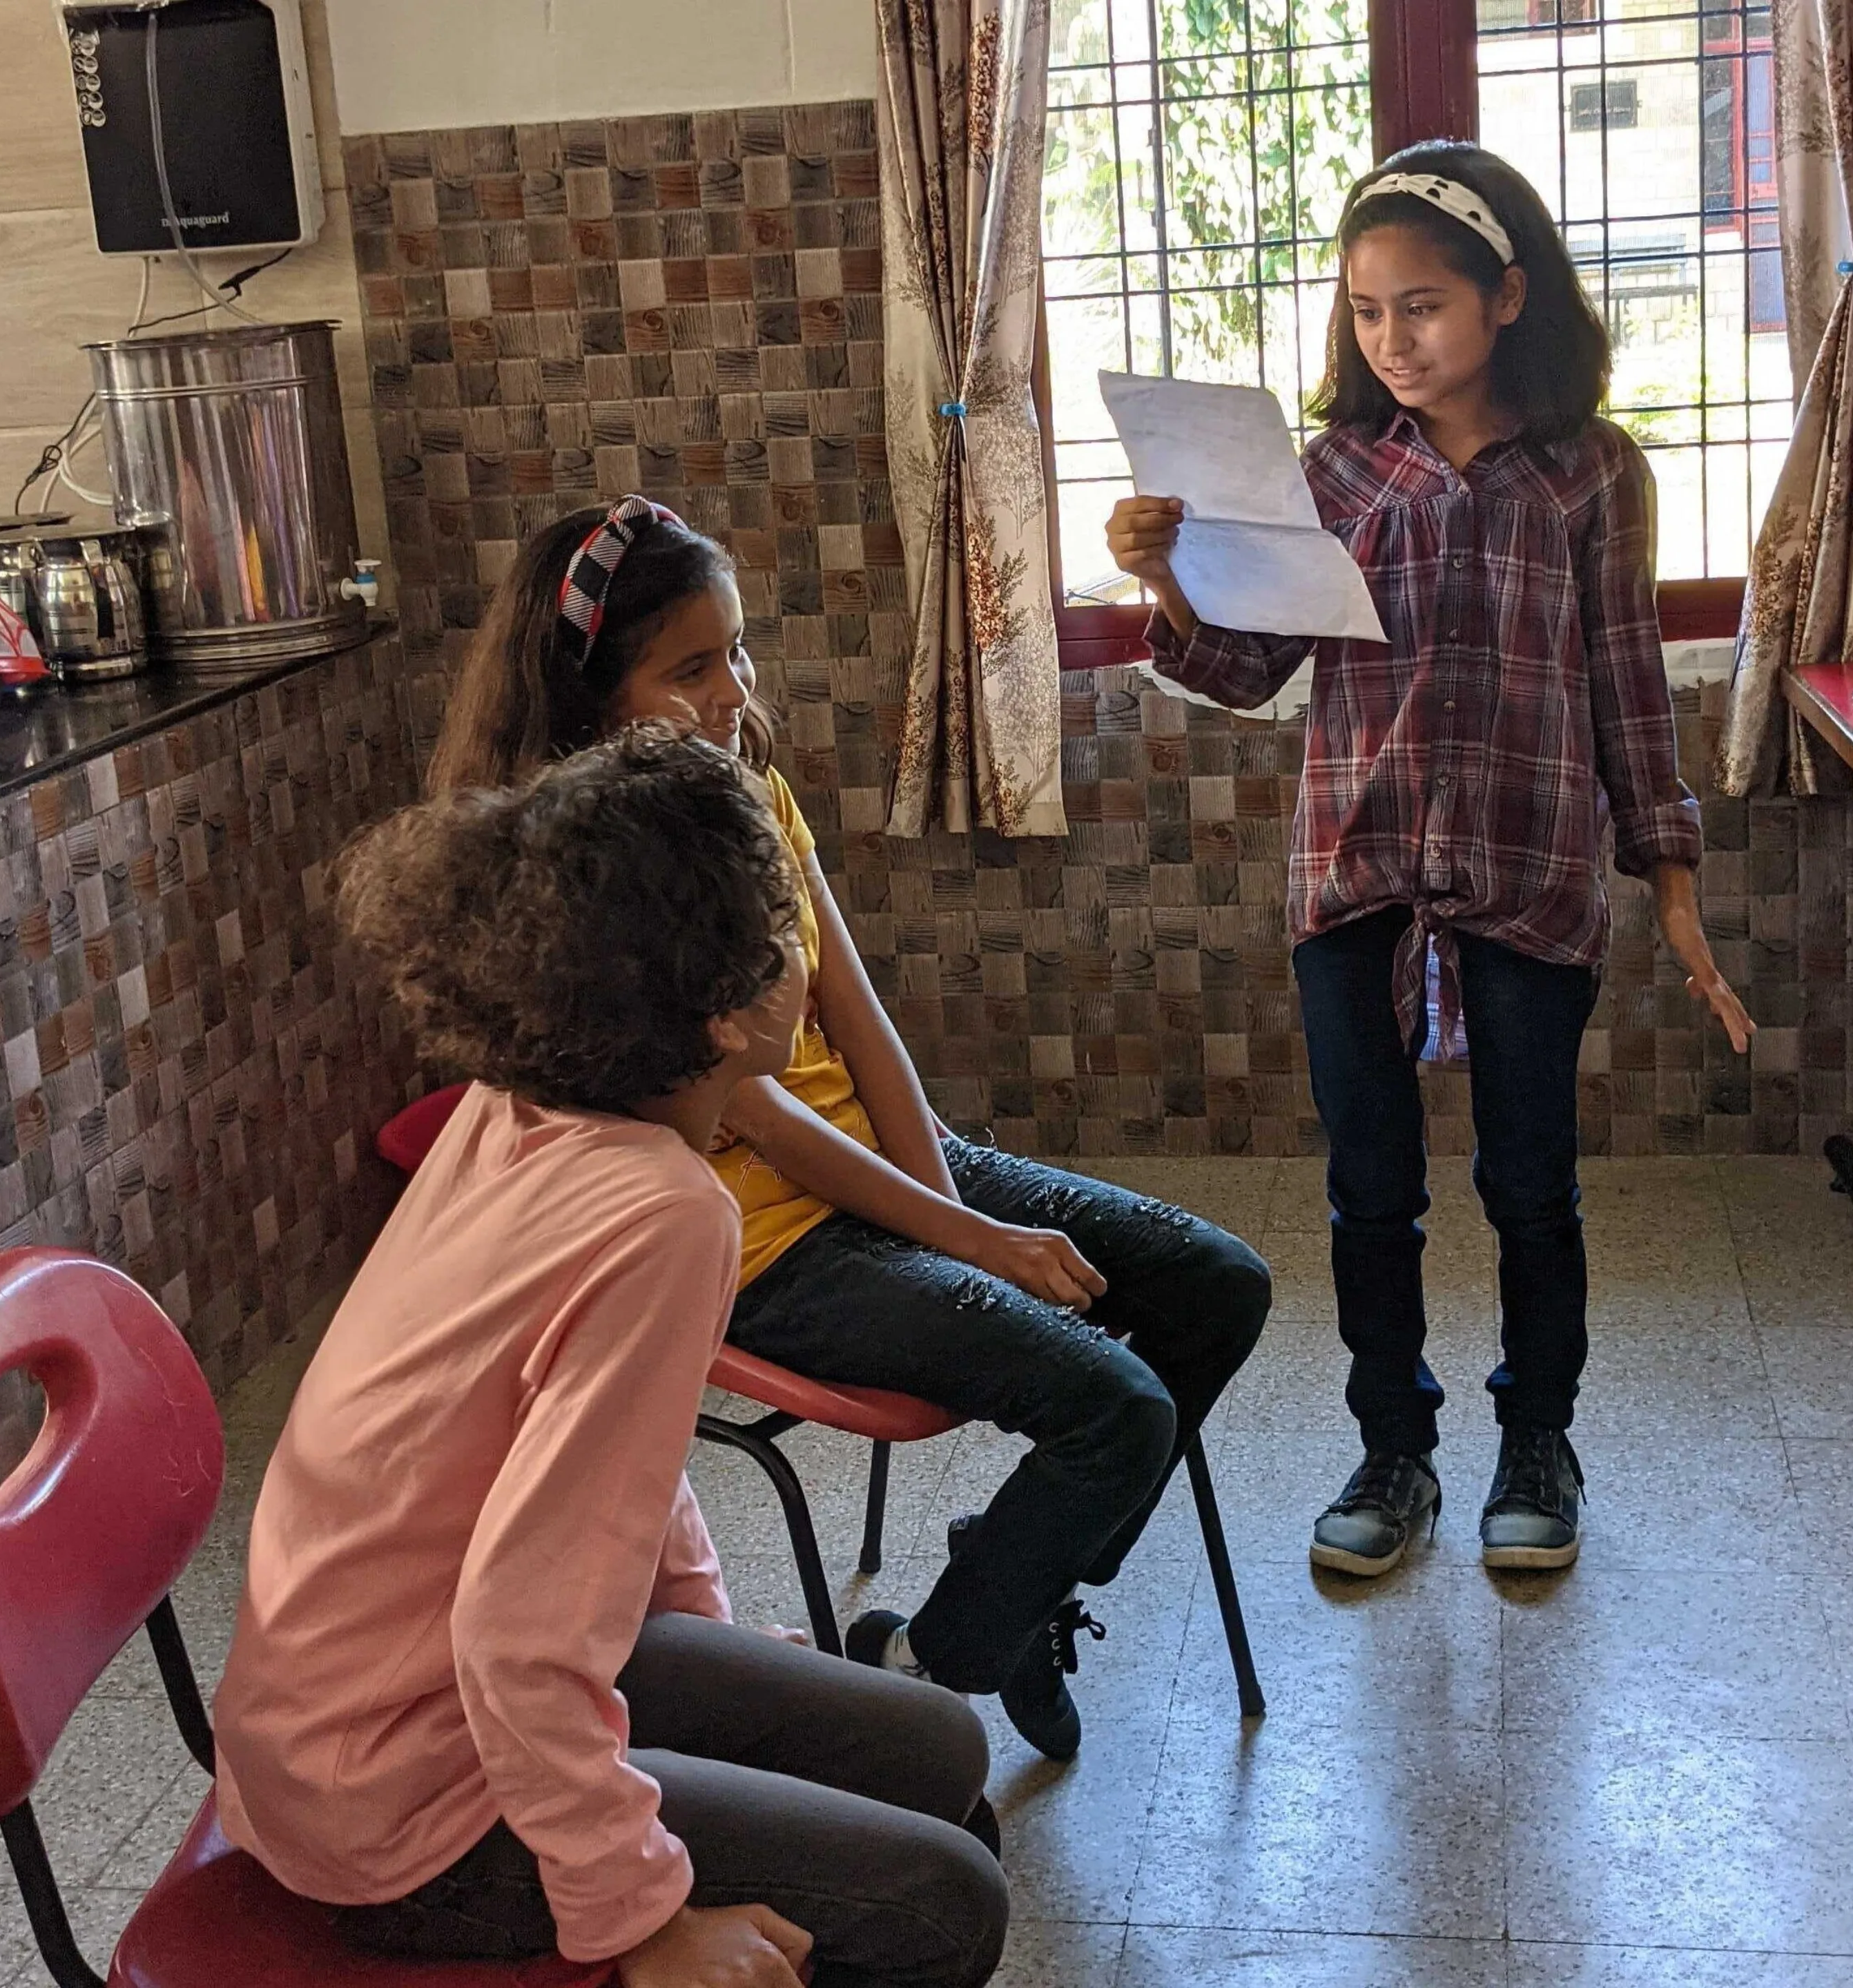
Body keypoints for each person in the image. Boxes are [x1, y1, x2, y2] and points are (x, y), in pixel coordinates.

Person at [426, 498, 1271, 1761]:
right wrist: (968, 1244)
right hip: (757, 1242)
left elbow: (862, 1023)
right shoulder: (598, 864)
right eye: (690, 668)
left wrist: (965, 1219)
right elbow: (750, 1105)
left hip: (877, 1172)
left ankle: (1009, 1591)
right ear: (593, 697)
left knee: (1218, 1282)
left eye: (739, 652)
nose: (732, 690)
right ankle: (946, 1658)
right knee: (1122, 1413)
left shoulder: (752, 787)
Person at [213, 730, 1009, 1988]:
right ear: (740, 1006)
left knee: (943, 1753)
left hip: (344, 1726)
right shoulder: (665, 1212)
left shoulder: (519, 1097)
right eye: (783, 919)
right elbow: (516, 1636)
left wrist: (713, 1646)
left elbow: (605, 1464)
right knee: (946, 1898)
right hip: (409, 1807)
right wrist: (638, 1917)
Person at [1107, 142, 1754, 1579]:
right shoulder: (1329, 473)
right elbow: (1240, 663)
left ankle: (1540, 1439)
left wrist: (1675, 882)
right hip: (1355, 872)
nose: (1393, 339)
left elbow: (1628, 686)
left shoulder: (1594, 471)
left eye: (1426, 305)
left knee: (1532, 1184)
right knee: (1371, 1192)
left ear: (1509, 296)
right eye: (1367, 310)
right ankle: (1390, 1444)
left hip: (1532, 872)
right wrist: (1162, 571)